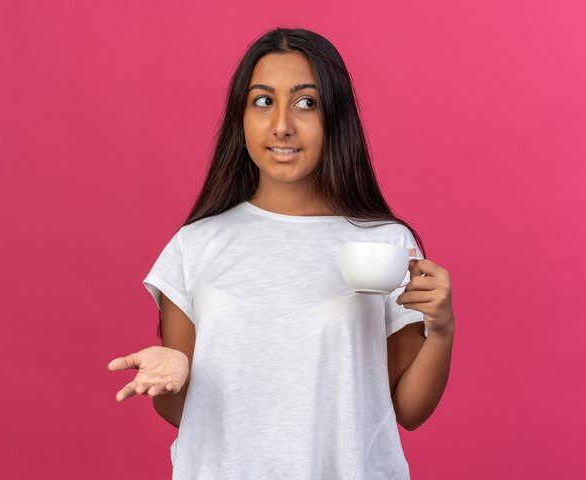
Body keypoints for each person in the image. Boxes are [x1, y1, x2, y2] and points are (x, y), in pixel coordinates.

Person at [108, 27, 454, 480]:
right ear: (241, 117)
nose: (282, 125)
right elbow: (180, 412)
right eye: (263, 101)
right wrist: (172, 375)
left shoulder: (385, 243)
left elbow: (407, 409)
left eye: (306, 102)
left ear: (336, 117)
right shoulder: (195, 246)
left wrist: (442, 329)